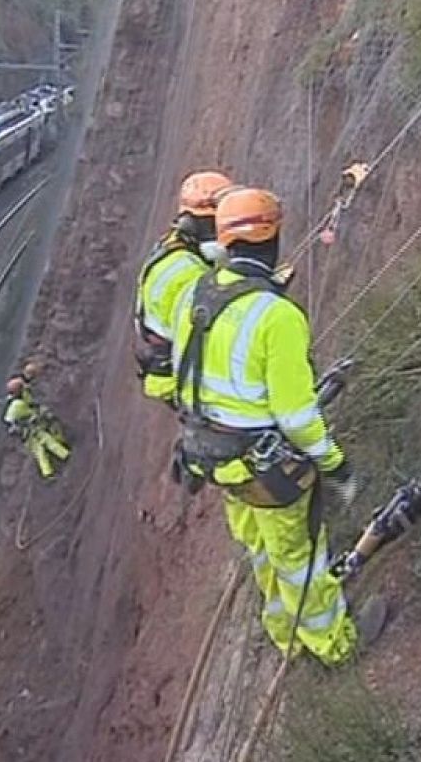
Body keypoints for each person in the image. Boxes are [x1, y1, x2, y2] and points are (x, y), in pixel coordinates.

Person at [169, 186, 379, 666]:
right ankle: (335, 645)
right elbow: (297, 417)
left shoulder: (194, 295)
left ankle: (285, 634)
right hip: (265, 469)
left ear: (225, 241)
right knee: (298, 560)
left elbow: (186, 376)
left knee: (261, 550)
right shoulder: (276, 316)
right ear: (274, 238)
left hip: (212, 457)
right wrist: (334, 464)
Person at [133, 170, 236, 405]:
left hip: (181, 361)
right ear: (192, 223)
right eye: (216, 222)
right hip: (188, 376)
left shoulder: (179, 248)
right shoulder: (182, 271)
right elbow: (221, 321)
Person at [3, 373, 70, 480]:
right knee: (40, 450)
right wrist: (43, 414)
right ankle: (51, 470)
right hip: (28, 433)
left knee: (46, 441)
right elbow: (31, 412)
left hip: (31, 429)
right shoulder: (17, 405)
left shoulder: (18, 400)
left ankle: (63, 456)